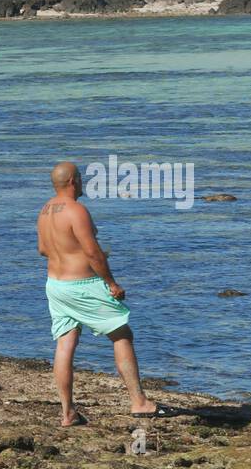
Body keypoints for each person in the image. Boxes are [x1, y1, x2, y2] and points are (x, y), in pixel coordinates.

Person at [36, 161, 176, 426]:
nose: (84, 182)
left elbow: (43, 249)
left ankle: (67, 413)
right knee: (122, 333)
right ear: (73, 181)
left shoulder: (44, 211)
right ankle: (140, 402)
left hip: (55, 284)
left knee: (66, 342)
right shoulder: (77, 211)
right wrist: (111, 282)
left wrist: (68, 253)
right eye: (81, 178)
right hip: (83, 286)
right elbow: (92, 253)